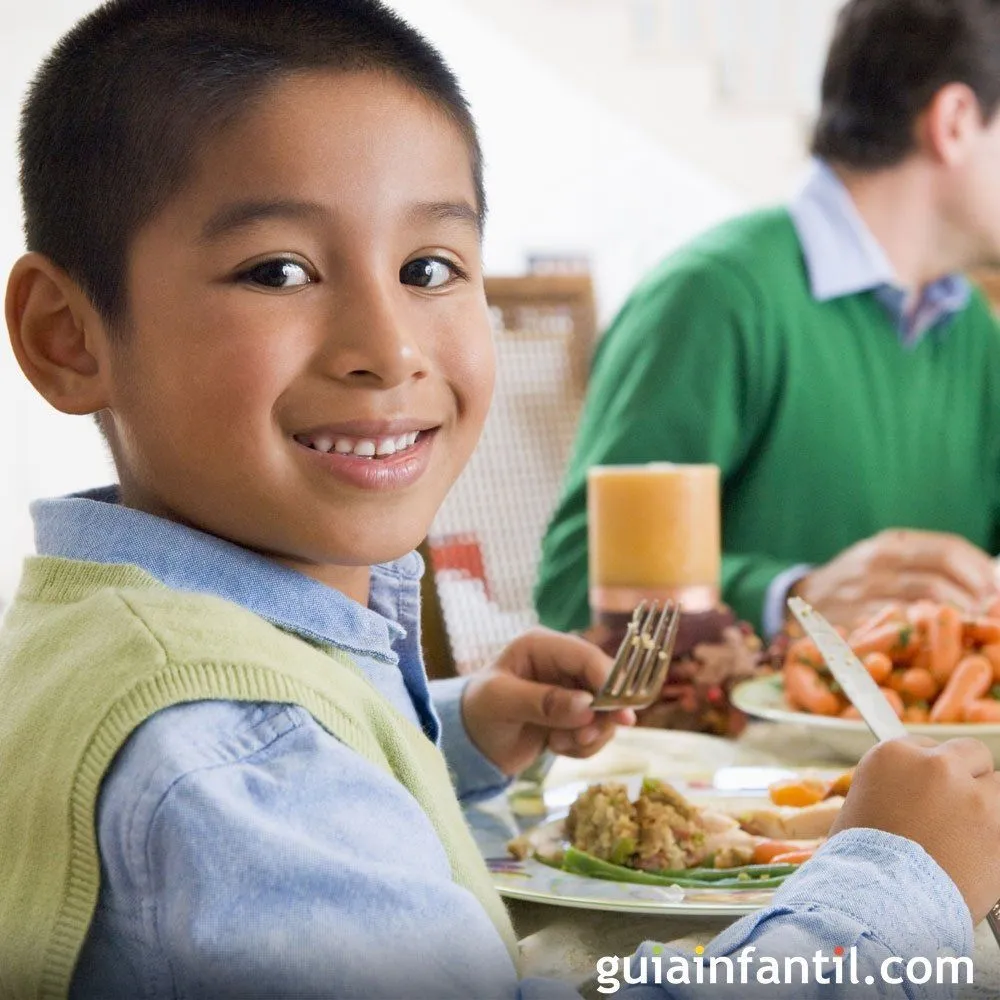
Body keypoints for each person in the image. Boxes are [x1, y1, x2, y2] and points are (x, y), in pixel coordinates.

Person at [1, 1, 999, 998]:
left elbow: (305, 778)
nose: (386, 348)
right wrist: (892, 885)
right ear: (66, 337)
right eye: (279, 270)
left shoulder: (138, 646)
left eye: (428, 268)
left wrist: (455, 728)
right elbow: (270, 774)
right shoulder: (238, 765)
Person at [535, 0, 1000, 641]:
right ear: (953, 122)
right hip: (720, 739)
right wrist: (794, 600)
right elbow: (571, 590)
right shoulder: (716, 297)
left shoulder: (973, 328)